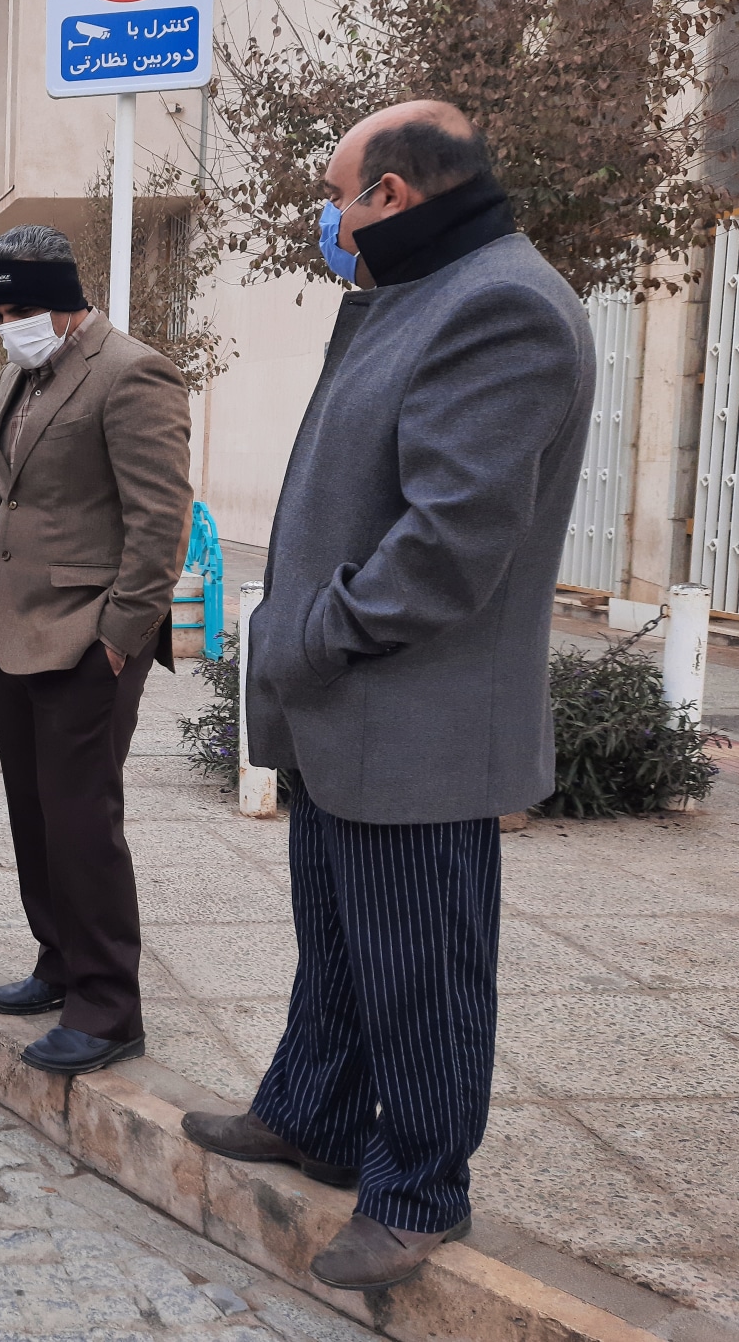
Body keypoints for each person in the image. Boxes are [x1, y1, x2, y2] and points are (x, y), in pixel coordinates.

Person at [182, 102, 593, 1291]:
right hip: (347, 707)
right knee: (342, 946)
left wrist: (311, 638)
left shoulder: (498, 306)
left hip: (413, 712)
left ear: (393, 196)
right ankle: (309, 1113)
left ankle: (417, 1191)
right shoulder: (417, 293)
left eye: (336, 197)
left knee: (421, 970)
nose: (327, 221)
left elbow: (447, 544)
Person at [0, 225, 191, 1076]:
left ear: (64, 297)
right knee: (34, 811)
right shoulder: (21, 369)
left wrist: (119, 638)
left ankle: (107, 1006)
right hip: (13, 630)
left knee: (82, 820)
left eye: (22, 307)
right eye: (0, 311)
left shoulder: (132, 373)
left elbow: (159, 520)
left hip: (89, 639)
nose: (9, 324)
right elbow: (12, 495)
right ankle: (57, 961)